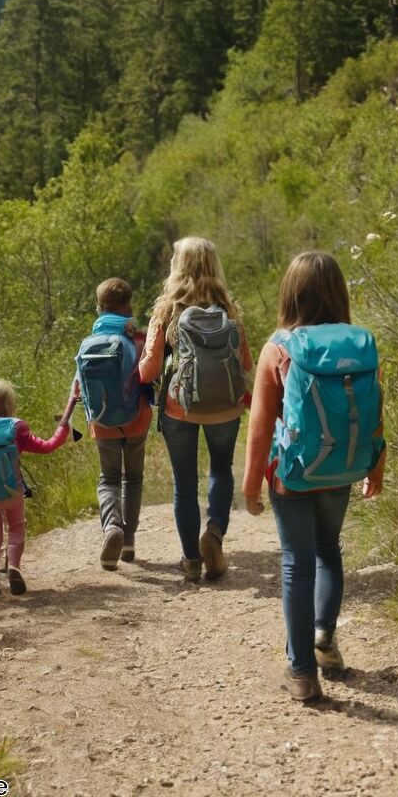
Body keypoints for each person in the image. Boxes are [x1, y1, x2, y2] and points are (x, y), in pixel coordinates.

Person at [243, 252, 386, 701]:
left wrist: (250, 485)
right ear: (339, 293)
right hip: (342, 468)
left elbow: (261, 427)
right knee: (329, 550)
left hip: (293, 475)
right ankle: (324, 636)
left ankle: (303, 673)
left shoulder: (280, 347)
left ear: (290, 292)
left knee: (296, 563)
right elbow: (375, 415)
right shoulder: (361, 344)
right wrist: (375, 468)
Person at [139, 236, 253, 582]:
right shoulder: (228, 308)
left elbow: (147, 371)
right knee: (220, 469)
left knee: (184, 484)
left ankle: (191, 561)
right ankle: (215, 531)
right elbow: (245, 362)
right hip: (225, 405)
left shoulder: (168, 310)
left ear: (178, 265)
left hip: (179, 407)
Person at [0, 379, 72, 601]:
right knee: (16, 529)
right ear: (9, 403)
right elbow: (48, 447)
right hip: (11, 492)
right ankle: (13, 568)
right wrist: (64, 427)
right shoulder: (16, 428)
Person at [73, 277, 153, 571]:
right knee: (132, 479)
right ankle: (128, 540)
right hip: (135, 420)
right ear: (128, 304)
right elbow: (148, 375)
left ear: (99, 307)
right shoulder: (137, 339)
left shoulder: (88, 343)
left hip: (102, 421)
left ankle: (112, 529)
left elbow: (80, 386)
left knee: (108, 478)